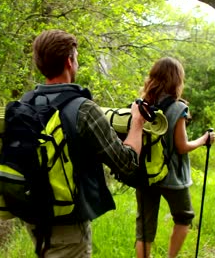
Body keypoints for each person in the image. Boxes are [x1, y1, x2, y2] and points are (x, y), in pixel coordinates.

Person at [23, 30, 145, 257]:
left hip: (34, 218)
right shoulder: (83, 109)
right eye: (76, 57)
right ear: (70, 62)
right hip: (67, 225)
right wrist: (136, 123)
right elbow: (126, 164)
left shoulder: (26, 103)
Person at [134, 57, 215, 258]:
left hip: (145, 175)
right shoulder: (178, 108)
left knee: (145, 228)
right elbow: (182, 146)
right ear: (176, 79)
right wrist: (204, 139)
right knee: (184, 217)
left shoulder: (141, 105)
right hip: (173, 178)